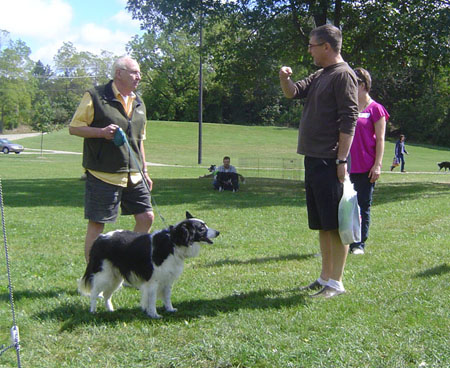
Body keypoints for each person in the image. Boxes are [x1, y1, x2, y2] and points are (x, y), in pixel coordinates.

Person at [279, 24, 358, 298]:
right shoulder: (321, 74)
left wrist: (342, 159)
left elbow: (350, 119)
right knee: (323, 223)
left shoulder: (344, 75)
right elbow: (292, 92)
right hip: (313, 159)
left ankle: (336, 282)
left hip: (329, 159)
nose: (309, 50)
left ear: (327, 46)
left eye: (312, 45)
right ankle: (325, 276)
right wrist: (284, 78)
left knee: (336, 224)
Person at [69, 56, 154, 262]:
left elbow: (139, 140)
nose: (139, 77)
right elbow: (74, 128)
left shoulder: (139, 103)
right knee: (98, 224)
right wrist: (102, 132)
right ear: (119, 73)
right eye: (134, 72)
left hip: (134, 175)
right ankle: (93, 275)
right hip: (103, 173)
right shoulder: (95, 96)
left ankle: (132, 266)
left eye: (139, 73)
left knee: (146, 217)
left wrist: (145, 171)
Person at [349, 68, 389, 255]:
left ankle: (359, 244)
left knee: (363, 205)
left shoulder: (376, 109)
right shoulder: (347, 107)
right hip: (346, 165)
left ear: (363, 85)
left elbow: (380, 139)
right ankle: (343, 243)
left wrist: (377, 165)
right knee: (345, 205)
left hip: (366, 167)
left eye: (353, 83)